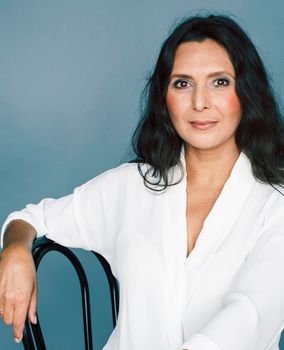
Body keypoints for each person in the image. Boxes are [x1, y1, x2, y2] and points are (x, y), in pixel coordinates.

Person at [0, 13, 284, 350]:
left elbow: (248, 314)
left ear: (247, 92)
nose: (200, 102)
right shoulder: (132, 186)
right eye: (182, 83)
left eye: (220, 81)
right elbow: (31, 218)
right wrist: (15, 248)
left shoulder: (276, 203)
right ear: (164, 98)